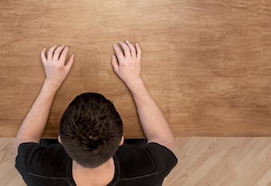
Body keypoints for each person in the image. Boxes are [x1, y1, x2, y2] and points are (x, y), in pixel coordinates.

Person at [14, 41, 178, 185]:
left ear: (60, 140)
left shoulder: (37, 173)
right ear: (121, 140)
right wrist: (134, 81)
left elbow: (25, 140)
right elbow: (163, 140)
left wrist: (51, 82)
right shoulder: (148, 171)